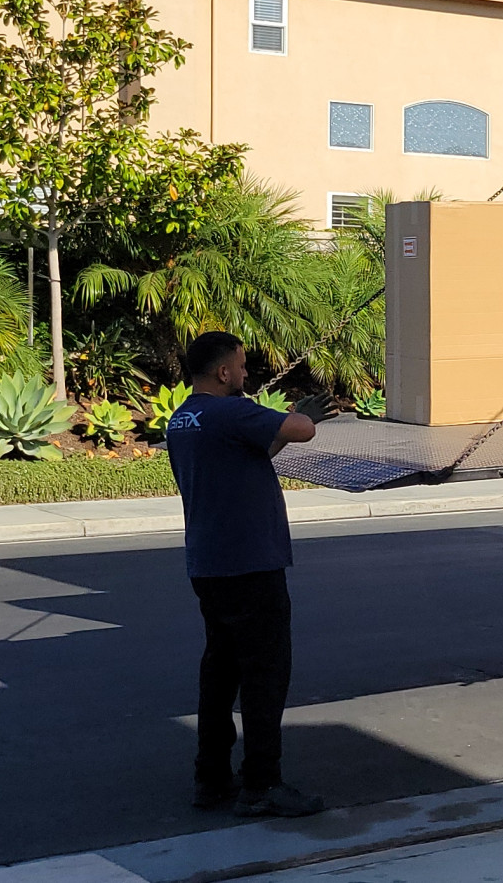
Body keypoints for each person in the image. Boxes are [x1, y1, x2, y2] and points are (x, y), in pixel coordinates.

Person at [165, 331, 324, 818]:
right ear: (223, 373)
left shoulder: (184, 418)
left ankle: (210, 779)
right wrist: (305, 413)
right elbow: (301, 430)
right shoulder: (230, 410)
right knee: (265, 675)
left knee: (220, 673)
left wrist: (277, 427)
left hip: (210, 565)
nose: (246, 373)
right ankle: (262, 783)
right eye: (241, 365)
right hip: (251, 564)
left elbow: (256, 452)